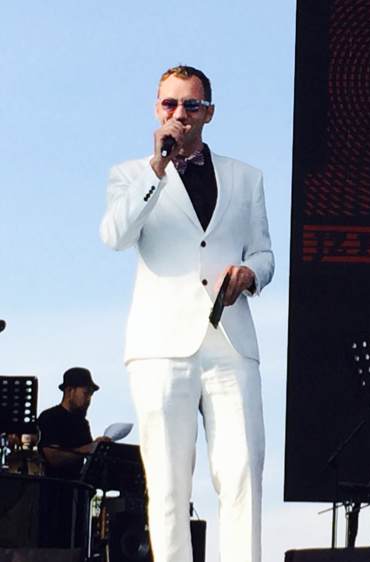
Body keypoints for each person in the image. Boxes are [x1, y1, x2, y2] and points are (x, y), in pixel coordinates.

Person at [99, 65, 273, 562]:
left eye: (191, 105)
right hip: (160, 346)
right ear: (157, 110)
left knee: (242, 473)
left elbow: (264, 254)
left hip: (230, 342)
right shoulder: (131, 175)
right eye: (170, 104)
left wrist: (250, 275)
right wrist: (156, 169)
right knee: (168, 482)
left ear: (209, 113)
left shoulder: (246, 178)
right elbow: (115, 236)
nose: (180, 113)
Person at [37, 367, 110, 480]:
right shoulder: (50, 417)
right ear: (70, 391)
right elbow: (54, 458)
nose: (89, 399)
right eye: (86, 393)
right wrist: (90, 448)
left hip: (75, 487)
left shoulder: (82, 424)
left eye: (91, 395)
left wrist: (100, 448)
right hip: (51, 485)